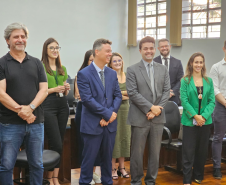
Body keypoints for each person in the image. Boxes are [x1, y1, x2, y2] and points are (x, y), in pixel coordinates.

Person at [0, 22, 48, 185]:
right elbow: (1, 93)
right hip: (10, 124)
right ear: (8, 40)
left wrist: (31, 108)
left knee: (36, 165)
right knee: (6, 165)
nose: (20, 40)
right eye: (16, 37)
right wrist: (22, 111)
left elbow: (44, 90)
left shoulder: (36, 63)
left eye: (23, 36)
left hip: (36, 122)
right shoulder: (1, 63)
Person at [77, 38, 122, 185]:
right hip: (92, 126)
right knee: (88, 163)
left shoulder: (111, 73)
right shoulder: (84, 74)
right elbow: (88, 100)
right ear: (97, 52)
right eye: (107, 51)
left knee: (107, 163)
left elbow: (117, 96)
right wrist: (107, 114)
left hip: (109, 126)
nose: (110, 54)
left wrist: (109, 116)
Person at [126, 36, 170, 185]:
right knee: (137, 154)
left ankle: (151, 181)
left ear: (155, 49)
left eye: (151, 48)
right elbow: (132, 93)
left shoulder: (163, 69)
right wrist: (151, 108)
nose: (149, 51)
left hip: (158, 118)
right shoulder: (132, 70)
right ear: (140, 50)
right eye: (145, 48)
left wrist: (157, 110)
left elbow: (166, 92)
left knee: (155, 153)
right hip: (139, 117)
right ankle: (136, 181)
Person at [181, 52, 215, 185]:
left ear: (203, 64)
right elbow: (184, 101)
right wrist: (196, 116)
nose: (198, 65)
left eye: (201, 62)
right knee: (188, 151)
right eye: (196, 62)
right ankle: (187, 179)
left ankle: (198, 175)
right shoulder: (185, 81)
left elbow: (212, 101)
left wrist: (204, 117)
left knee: (202, 151)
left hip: (205, 122)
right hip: (189, 121)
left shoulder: (208, 81)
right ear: (191, 63)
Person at [41, 38, 70, 185]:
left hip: (62, 105)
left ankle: (54, 178)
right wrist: (54, 89)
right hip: (48, 105)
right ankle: (49, 177)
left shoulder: (62, 68)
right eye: (51, 48)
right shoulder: (40, 67)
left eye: (57, 48)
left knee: (60, 141)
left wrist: (66, 90)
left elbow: (64, 93)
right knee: (56, 143)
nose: (55, 50)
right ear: (46, 50)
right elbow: (39, 91)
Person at [74, 50, 101, 184]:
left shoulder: (102, 74)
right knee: (86, 145)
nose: (93, 62)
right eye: (91, 60)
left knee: (96, 145)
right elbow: (80, 96)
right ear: (86, 61)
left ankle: (93, 172)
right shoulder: (81, 74)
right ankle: (85, 175)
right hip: (84, 110)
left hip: (98, 111)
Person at [107, 52, 130, 179]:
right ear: (110, 64)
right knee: (114, 139)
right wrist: (123, 95)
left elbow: (132, 92)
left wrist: (119, 94)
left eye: (119, 60)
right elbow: (109, 94)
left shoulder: (127, 75)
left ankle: (122, 167)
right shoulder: (109, 76)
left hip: (126, 110)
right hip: (114, 110)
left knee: (125, 138)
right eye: (114, 61)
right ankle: (113, 168)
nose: (117, 63)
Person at [210, 40, 226, 179]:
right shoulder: (216, 67)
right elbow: (215, 89)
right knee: (218, 138)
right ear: (224, 49)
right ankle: (216, 168)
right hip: (221, 105)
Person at [154, 38, 184, 105]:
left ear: (170, 46)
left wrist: (172, 92)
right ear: (158, 48)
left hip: (173, 97)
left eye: (166, 46)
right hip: (158, 98)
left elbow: (181, 80)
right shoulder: (153, 62)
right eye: (162, 47)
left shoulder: (178, 62)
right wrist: (162, 92)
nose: (164, 48)